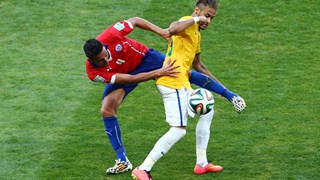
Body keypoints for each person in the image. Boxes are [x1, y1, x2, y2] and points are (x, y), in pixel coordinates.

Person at [83, 16, 245, 175]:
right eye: (100, 60)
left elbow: (135, 20)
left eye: (106, 55)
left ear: (104, 46)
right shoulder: (93, 73)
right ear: (91, 60)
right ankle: (123, 161)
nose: (105, 60)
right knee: (107, 109)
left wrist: (162, 32)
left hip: (145, 58)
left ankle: (229, 95)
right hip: (125, 74)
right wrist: (158, 73)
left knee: (182, 72)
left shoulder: (110, 35)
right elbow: (130, 79)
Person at [131, 0, 243, 179]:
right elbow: (172, 29)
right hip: (171, 82)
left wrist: (225, 90)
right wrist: (196, 19)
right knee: (178, 130)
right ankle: (143, 169)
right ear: (197, 10)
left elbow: (199, 66)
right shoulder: (187, 22)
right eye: (206, 15)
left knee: (208, 111)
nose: (208, 21)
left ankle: (201, 163)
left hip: (182, 83)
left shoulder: (197, 34)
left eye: (211, 18)